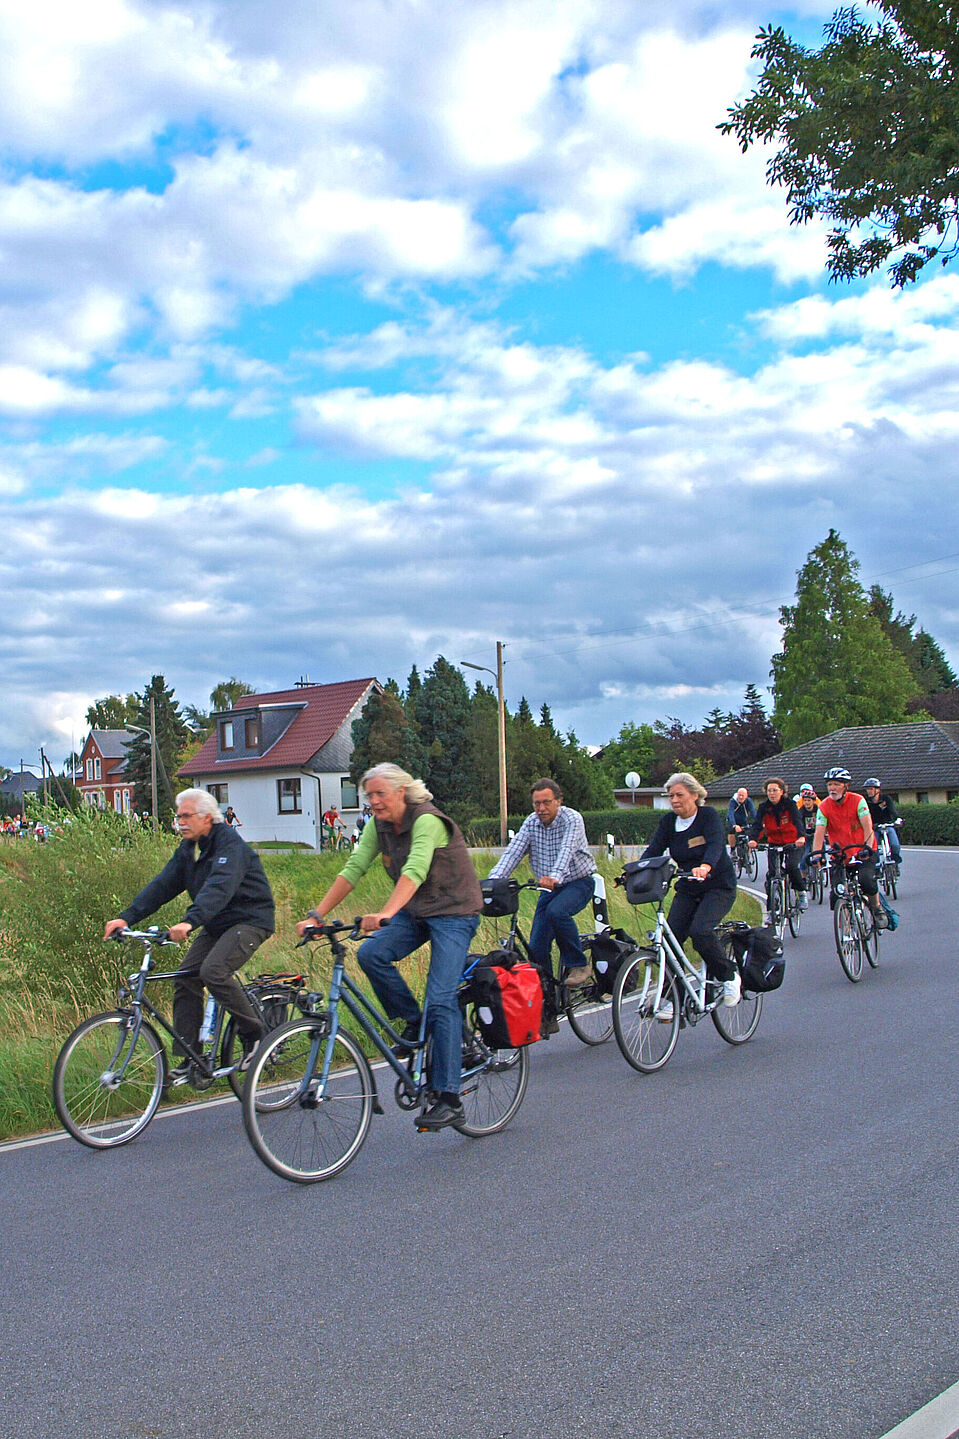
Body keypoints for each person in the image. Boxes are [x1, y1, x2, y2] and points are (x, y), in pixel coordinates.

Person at [297, 763, 482, 1132]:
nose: (373, 801)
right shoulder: (377, 827)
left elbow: (414, 870)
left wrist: (385, 912)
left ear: (401, 792)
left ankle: (449, 1097)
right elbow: (353, 869)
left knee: (441, 997)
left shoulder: (428, 820)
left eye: (380, 794)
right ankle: (416, 1024)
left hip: (454, 912)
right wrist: (317, 914)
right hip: (416, 912)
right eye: (369, 795)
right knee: (371, 954)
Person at [103, 788, 275, 1077]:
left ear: (207, 817)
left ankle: (255, 1034)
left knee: (213, 971)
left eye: (186, 816)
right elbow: (163, 885)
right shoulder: (189, 849)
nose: (179, 822)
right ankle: (191, 1058)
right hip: (217, 923)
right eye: (177, 816)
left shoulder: (229, 845)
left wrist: (189, 922)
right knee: (185, 979)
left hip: (250, 921)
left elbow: (219, 887)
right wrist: (126, 917)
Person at [487, 778, 597, 988]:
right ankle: (548, 1002)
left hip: (577, 882)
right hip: (548, 889)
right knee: (536, 949)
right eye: (537, 803)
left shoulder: (572, 819)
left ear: (558, 801)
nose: (541, 808)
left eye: (547, 802)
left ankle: (579, 964)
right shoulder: (531, 822)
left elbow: (567, 850)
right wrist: (491, 883)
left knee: (557, 912)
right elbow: (513, 853)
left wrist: (554, 875)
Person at [642, 772, 740, 1006]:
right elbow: (654, 850)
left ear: (695, 795)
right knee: (670, 940)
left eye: (679, 795)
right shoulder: (668, 822)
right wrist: (633, 871)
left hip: (718, 886)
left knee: (700, 932)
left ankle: (729, 976)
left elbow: (716, 844)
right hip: (688, 886)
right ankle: (670, 997)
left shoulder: (707, 816)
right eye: (670, 796)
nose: (674, 800)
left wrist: (706, 866)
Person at [809, 768, 885, 925]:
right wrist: (816, 854)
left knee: (866, 880)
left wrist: (867, 848)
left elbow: (867, 826)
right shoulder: (824, 806)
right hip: (840, 853)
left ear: (845, 786)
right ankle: (847, 927)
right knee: (837, 893)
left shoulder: (858, 800)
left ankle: (877, 908)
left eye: (836, 784)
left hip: (863, 850)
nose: (832, 788)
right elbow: (819, 832)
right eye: (830, 784)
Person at [748, 777, 809, 916]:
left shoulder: (790, 805)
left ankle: (801, 893)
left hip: (793, 842)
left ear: (782, 791)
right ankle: (771, 912)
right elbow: (757, 825)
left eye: (775, 790)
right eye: (769, 791)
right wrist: (753, 840)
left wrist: (801, 837)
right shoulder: (764, 807)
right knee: (771, 875)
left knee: (792, 867)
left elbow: (798, 821)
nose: (772, 793)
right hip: (774, 842)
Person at [863, 778, 902, 867]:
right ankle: (876, 866)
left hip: (887, 824)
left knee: (895, 845)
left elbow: (893, 810)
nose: (869, 791)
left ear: (878, 790)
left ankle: (895, 863)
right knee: (873, 847)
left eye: (871, 789)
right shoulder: (866, 801)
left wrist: (897, 819)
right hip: (874, 827)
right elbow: (865, 815)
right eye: (867, 789)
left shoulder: (886, 799)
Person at [796, 784, 820, 875]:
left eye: (809, 800)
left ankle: (822, 865)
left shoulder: (818, 810)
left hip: (816, 834)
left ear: (813, 801)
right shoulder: (801, 811)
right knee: (804, 856)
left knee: (821, 850)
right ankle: (803, 874)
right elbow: (798, 824)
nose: (807, 803)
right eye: (805, 800)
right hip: (806, 835)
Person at [726, 787, 757, 855]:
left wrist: (759, 822)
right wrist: (734, 825)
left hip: (743, 820)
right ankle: (733, 849)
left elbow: (753, 812)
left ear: (746, 796)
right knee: (731, 832)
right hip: (733, 820)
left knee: (748, 833)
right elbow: (730, 813)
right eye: (739, 795)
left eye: (742, 795)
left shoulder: (749, 801)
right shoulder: (733, 801)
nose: (740, 797)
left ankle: (748, 854)